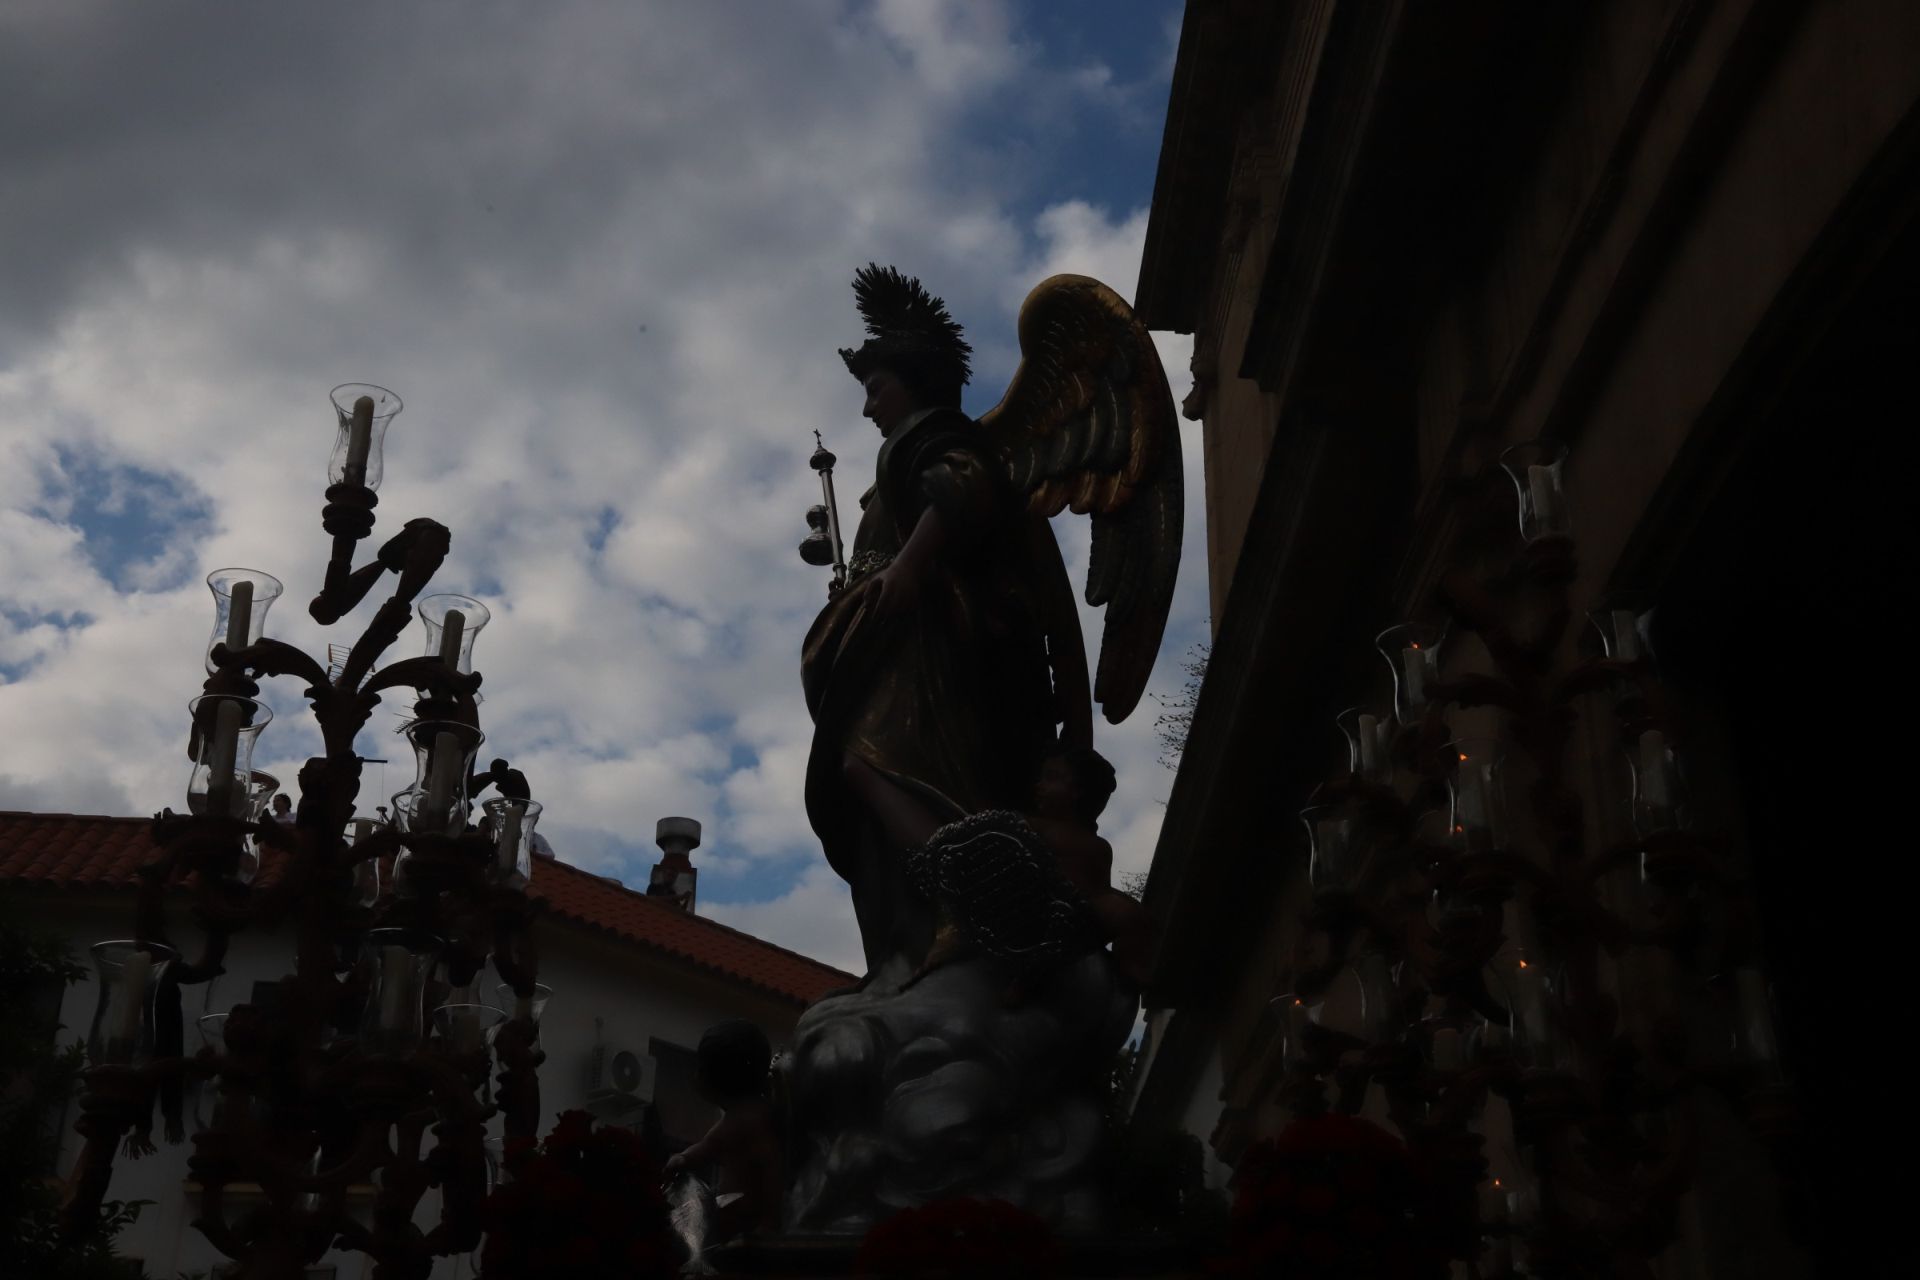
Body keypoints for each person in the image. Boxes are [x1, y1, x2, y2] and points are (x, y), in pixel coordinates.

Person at [803, 265, 1089, 982]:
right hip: (899, 642)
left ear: (914, 382)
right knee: (868, 773)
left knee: (871, 767)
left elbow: (964, 486)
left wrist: (904, 568)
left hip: (928, 649)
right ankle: (945, 912)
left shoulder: (934, 432)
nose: (869, 409)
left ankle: (970, 900)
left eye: (877, 388)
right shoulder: (898, 450)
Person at [662, 1020, 783, 1242]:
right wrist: (684, 1158)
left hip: (743, 1220)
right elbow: (709, 1146)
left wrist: (769, 1222)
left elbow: (771, 1166)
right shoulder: (740, 1116)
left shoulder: (749, 1119)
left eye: (702, 1068)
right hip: (735, 1218)